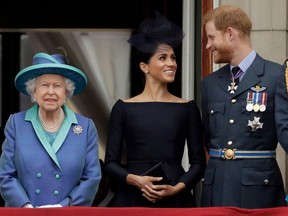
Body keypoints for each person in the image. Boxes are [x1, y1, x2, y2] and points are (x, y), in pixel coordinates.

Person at [104, 12, 206, 208]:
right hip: (132, 198)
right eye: (163, 58)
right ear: (145, 66)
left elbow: (199, 163)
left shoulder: (187, 108)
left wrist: (178, 187)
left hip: (176, 198)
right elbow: (110, 164)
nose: (172, 64)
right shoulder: (123, 108)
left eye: (173, 58)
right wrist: (135, 180)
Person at [201, 5, 287, 208]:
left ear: (230, 33)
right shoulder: (210, 83)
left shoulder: (276, 76)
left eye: (212, 38)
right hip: (217, 189)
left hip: (259, 191)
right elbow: (208, 139)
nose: (208, 46)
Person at [0, 51, 102, 207]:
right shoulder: (16, 123)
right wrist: (26, 207)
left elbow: (92, 178)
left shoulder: (85, 127)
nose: (51, 92)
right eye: (44, 85)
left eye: (57, 86)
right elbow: (6, 175)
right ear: (34, 91)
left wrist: (63, 207)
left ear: (66, 92)